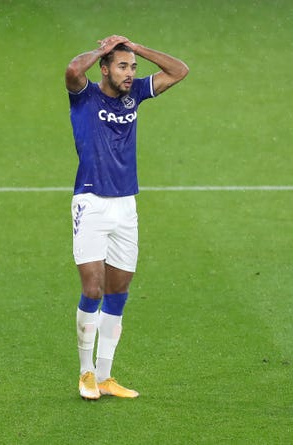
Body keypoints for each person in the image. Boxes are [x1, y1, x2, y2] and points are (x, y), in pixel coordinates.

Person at [65, 35, 189, 400]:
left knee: (118, 293)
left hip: (125, 206)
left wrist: (136, 48)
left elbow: (179, 70)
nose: (130, 74)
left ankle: (105, 376)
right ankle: (85, 373)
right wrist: (103, 49)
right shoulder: (85, 95)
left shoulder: (135, 94)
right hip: (90, 202)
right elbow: (73, 69)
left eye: (133, 68)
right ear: (104, 68)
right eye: (122, 66)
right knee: (93, 289)